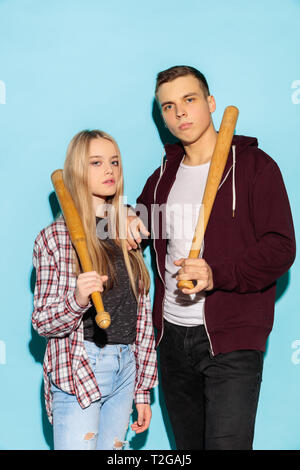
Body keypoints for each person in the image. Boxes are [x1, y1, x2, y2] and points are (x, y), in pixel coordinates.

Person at [128, 65, 296, 450]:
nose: (180, 113)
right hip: (171, 339)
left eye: (189, 100)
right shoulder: (163, 176)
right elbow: (136, 227)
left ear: (210, 102)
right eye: (168, 106)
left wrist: (216, 273)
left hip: (231, 341)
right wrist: (123, 216)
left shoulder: (256, 168)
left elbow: (281, 247)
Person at [32, 129, 158, 450]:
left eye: (114, 162)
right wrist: (77, 300)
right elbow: (43, 322)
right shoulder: (55, 239)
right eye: (96, 163)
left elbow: (139, 319)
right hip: (81, 366)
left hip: (126, 367)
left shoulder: (126, 232)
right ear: (76, 171)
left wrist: (142, 389)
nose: (109, 170)